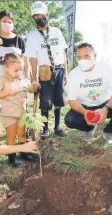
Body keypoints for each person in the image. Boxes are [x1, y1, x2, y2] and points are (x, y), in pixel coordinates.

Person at [64, 43, 112, 145]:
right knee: (70, 120)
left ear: (94, 56)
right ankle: (89, 127)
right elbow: (72, 101)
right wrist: (85, 112)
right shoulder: (73, 75)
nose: (82, 60)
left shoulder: (106, 68)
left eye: (86, 56)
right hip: (85, 106)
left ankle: (109, 131)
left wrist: (106, 108)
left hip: (106, 104)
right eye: (79, 57)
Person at [25, 1, 68, 139]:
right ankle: (45, 129)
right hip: (44, 72)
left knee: (59, 99)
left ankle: (57, 127)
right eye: (36, 16)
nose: (39, 18)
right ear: (33, 18)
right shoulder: (31, 36)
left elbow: (63, 53)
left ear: (47, 15)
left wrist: (65, 73)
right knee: (45, 101)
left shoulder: (56, 31)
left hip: (59, 69)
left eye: (42, 15)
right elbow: (33, 59)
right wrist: (34, 78)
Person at [0, 53, 40, 167]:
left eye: (21, 70)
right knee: (11, 136)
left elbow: (31, 89)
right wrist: (7, 92)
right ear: (6, 68)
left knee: (22, 133)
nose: (19, 73)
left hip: (21, 112)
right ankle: (12, 158)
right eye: (16, 70)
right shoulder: (1, 79)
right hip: (9, 113)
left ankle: (24, 153)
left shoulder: (22, 80)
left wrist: (34, 86)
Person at [0, 10, 30, 78]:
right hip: (1, 78)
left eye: (10, 22)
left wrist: (27, 78)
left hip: (18, 79)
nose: (7, 24)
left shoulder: (19, 40)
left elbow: (25, 60)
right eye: (4, 21)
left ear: (13, 24)